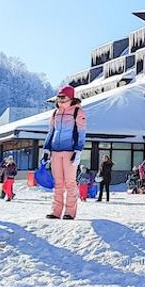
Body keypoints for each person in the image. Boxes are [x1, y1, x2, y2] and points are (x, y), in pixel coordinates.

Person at [43, 85, 86, 220]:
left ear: (70, 97)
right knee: (58, 183)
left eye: (63, 97)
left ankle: (70, 212)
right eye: (59, 97)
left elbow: (81, 132)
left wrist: (78, 150)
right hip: (55, 151)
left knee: (70, 182)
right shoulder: (55, 112)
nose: (60, 99)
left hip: (70, 151)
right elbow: (51, 131)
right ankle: (56, 211)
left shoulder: (77, 111)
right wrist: (46, 148)